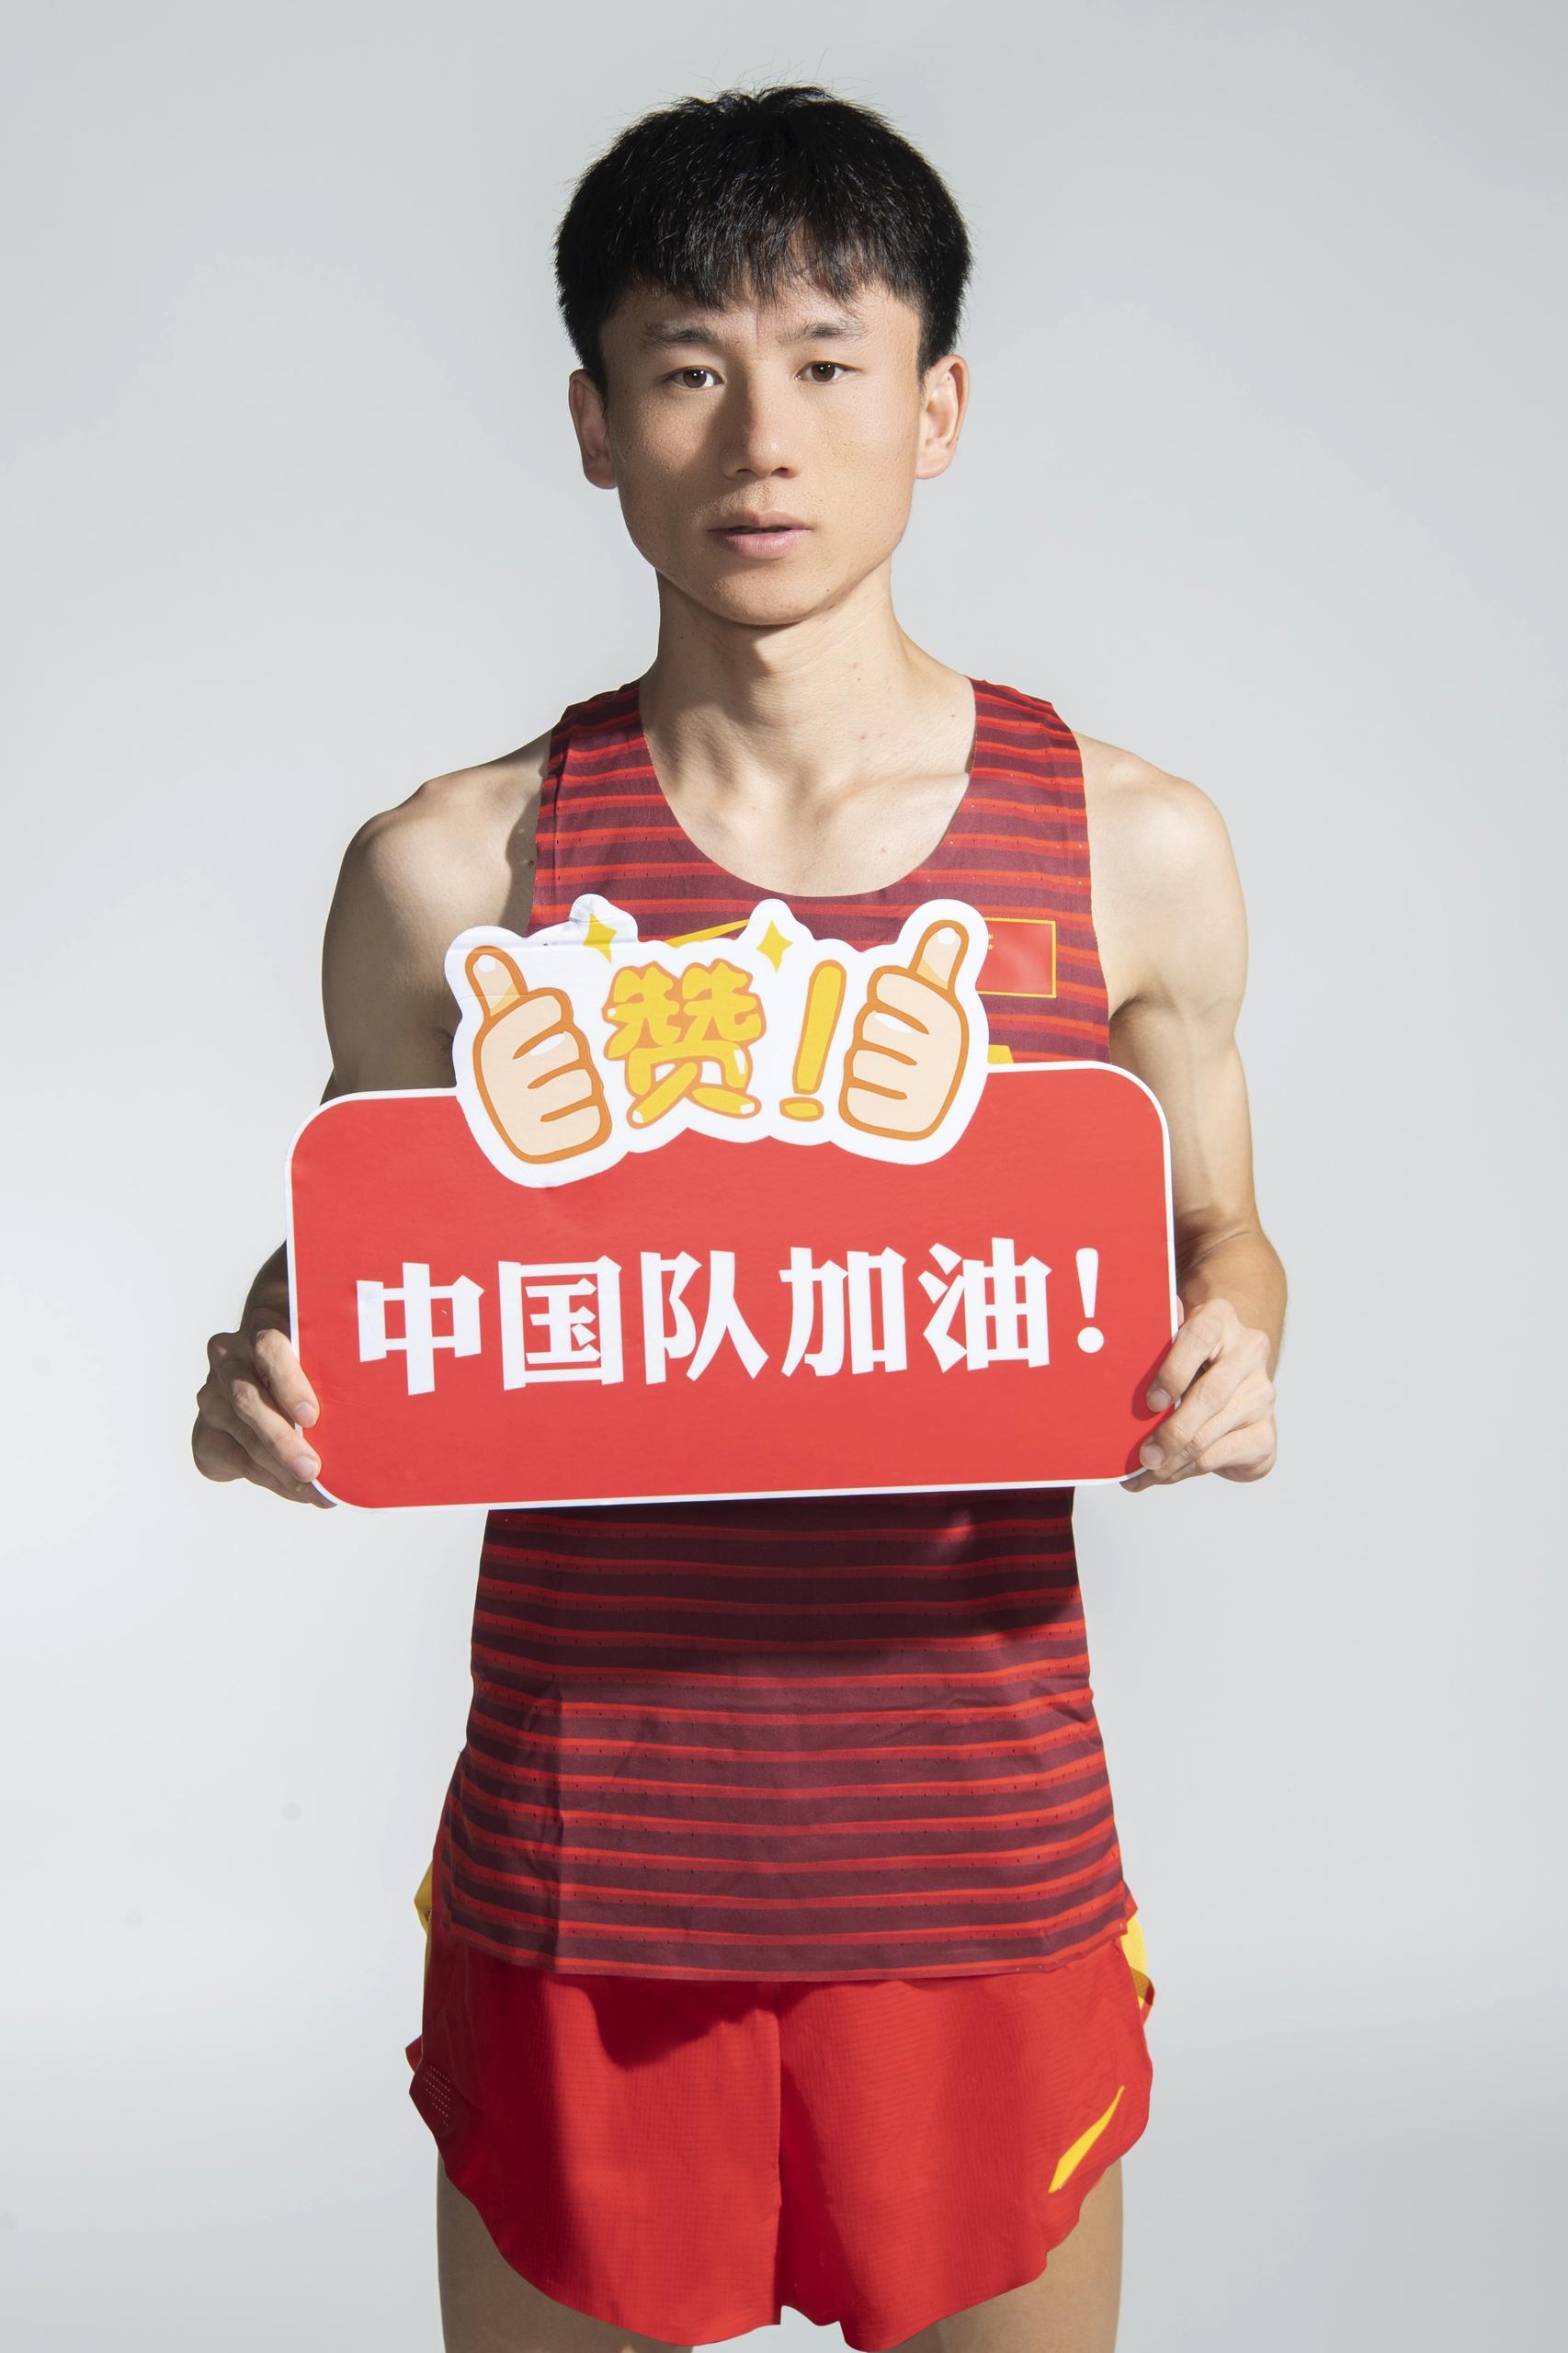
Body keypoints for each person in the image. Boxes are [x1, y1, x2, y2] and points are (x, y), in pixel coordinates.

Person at [192, 81, 1285, 2353]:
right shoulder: (453, 872)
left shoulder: (1128, 844)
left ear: (936, 406)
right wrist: (268, 1378)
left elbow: (1226, 1236)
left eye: (827, 359)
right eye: (688, 366)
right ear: (594, 423)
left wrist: (1237, 1338)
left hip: (979, 1851)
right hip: (587, 1860)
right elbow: (357, 1268)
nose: (762, 438)